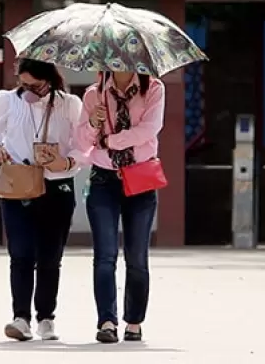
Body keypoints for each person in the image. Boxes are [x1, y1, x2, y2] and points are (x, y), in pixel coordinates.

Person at [0, 59, 84, 342]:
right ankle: (20, 317)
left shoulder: (69, 103)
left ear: (49, 79)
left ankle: (46, 318)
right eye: (23, 84)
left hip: (56, 183)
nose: (28, 91)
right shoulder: (7, 100)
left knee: (50, 257)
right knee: (21, 254)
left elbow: (83, 144)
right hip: (19, 184)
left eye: (34, 85)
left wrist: (67, 161)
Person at [75, 71, 165, 344]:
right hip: (104, 179)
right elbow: (81, 142)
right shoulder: (94, 93)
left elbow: (149, 129)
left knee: (137, 256)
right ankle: (106, 321)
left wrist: (110, 140)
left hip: (140, 177)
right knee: (105, 255)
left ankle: (134, 321)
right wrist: (93, 123)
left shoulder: (153, 89)